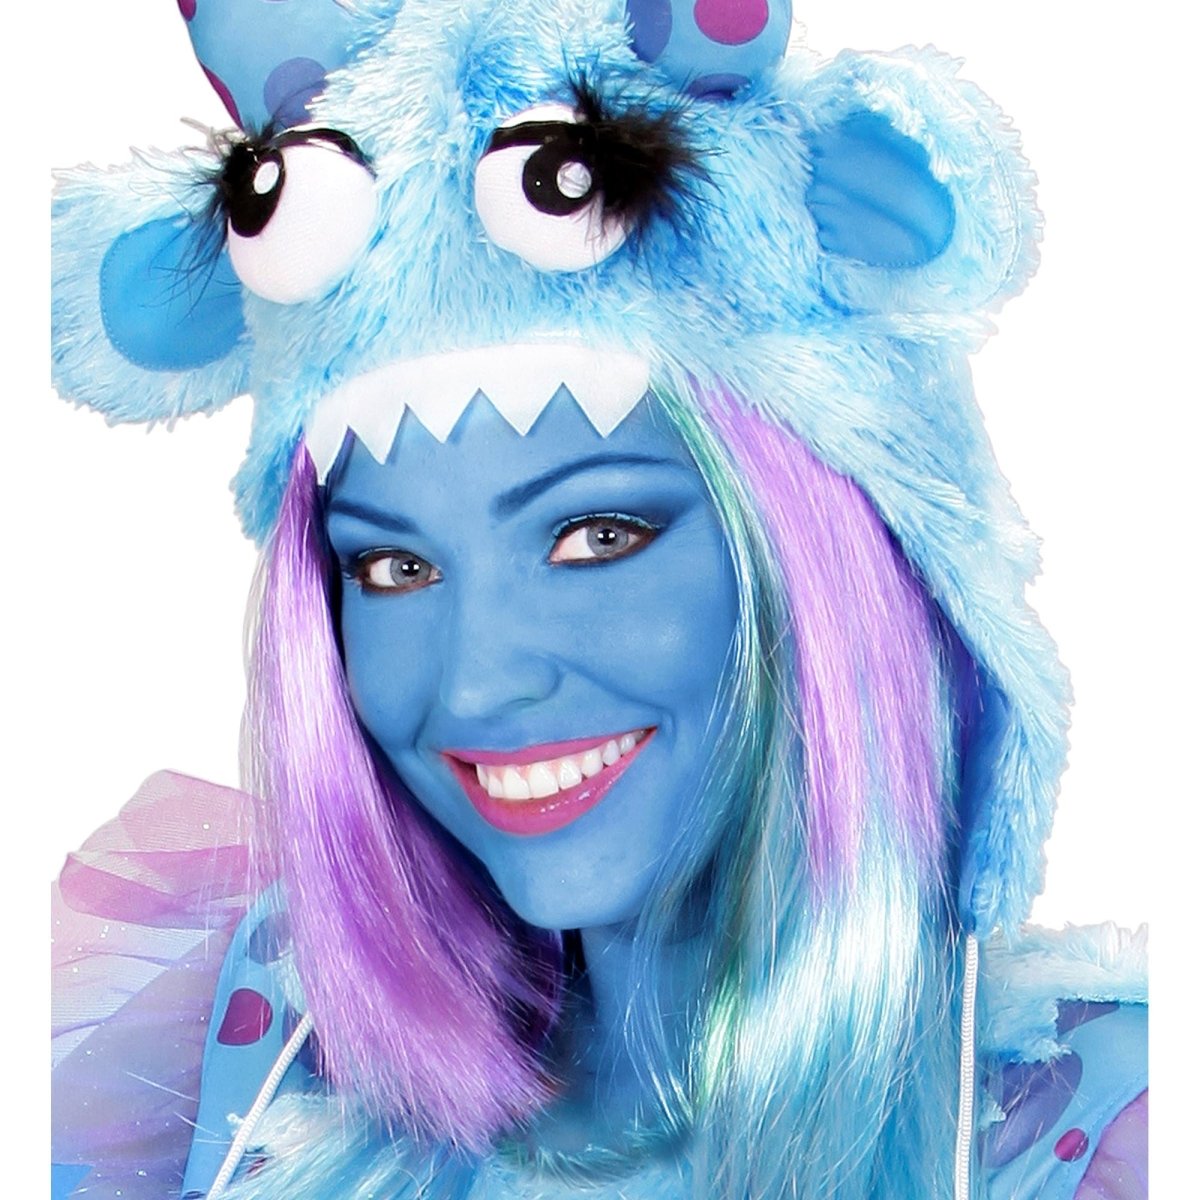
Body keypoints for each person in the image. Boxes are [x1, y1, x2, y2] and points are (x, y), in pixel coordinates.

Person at [48, 2, 1149, 1198]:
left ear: (827, 559)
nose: (477, 682)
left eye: (597, 536)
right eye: (394, 569)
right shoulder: (269, 1050)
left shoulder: (1094, 1125)